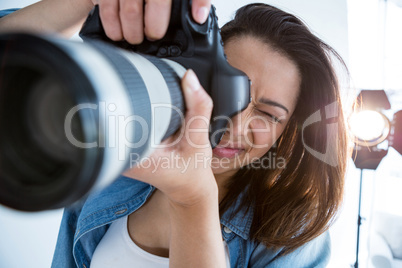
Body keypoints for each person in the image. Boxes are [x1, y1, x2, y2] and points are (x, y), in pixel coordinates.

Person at [0, 0, 348, 267]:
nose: (236, 124)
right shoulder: (116, 159)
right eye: (227, 90)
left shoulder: (292, 235)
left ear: (287, 132)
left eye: (269, 114)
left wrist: (193, 198)